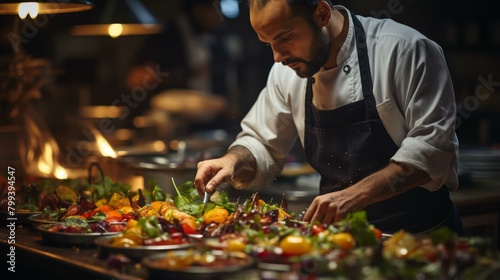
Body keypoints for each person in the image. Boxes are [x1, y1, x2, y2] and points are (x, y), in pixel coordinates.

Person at [194, 0, 464, 235]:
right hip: (339, 244)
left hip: (421, 239)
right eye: (269, 44)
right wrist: (231, 161)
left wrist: (354, 196)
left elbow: (432, 151)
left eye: (285, 38)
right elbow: (261, 142)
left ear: (322, 14)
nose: (277, 57)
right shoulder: (287, 71)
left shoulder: (404, 50)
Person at [125, 0, 241, 134]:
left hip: (215, 125)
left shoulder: (218, 36)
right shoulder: (168, 36)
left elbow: (230, 78)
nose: (219, 14)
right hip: (178, 126)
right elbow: (135, 78)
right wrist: (182, 75)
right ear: (198, 9)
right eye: (215, 8)